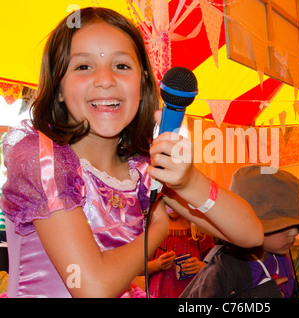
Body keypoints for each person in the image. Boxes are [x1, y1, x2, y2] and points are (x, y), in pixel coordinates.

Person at [0, 7, 263, 298]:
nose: (105, 80)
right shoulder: (42, 159)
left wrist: (189, 182)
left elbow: (250, 234)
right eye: (83, 66)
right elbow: (91, 288)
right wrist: (156, 232)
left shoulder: (141, 170)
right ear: (59, 87)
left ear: (143, 84)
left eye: (122, 66)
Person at [180, 164, 299, 298]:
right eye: (283, 226)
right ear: (251, 225)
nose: (294, 233)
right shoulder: (223, 268)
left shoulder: (284, 259)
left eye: (297, 225)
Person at [138, 204, 215, 297]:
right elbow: (135, 270)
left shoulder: (198, 228)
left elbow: (214, 264)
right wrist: (157, 265)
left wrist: (200, 266)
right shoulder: (148, 228)